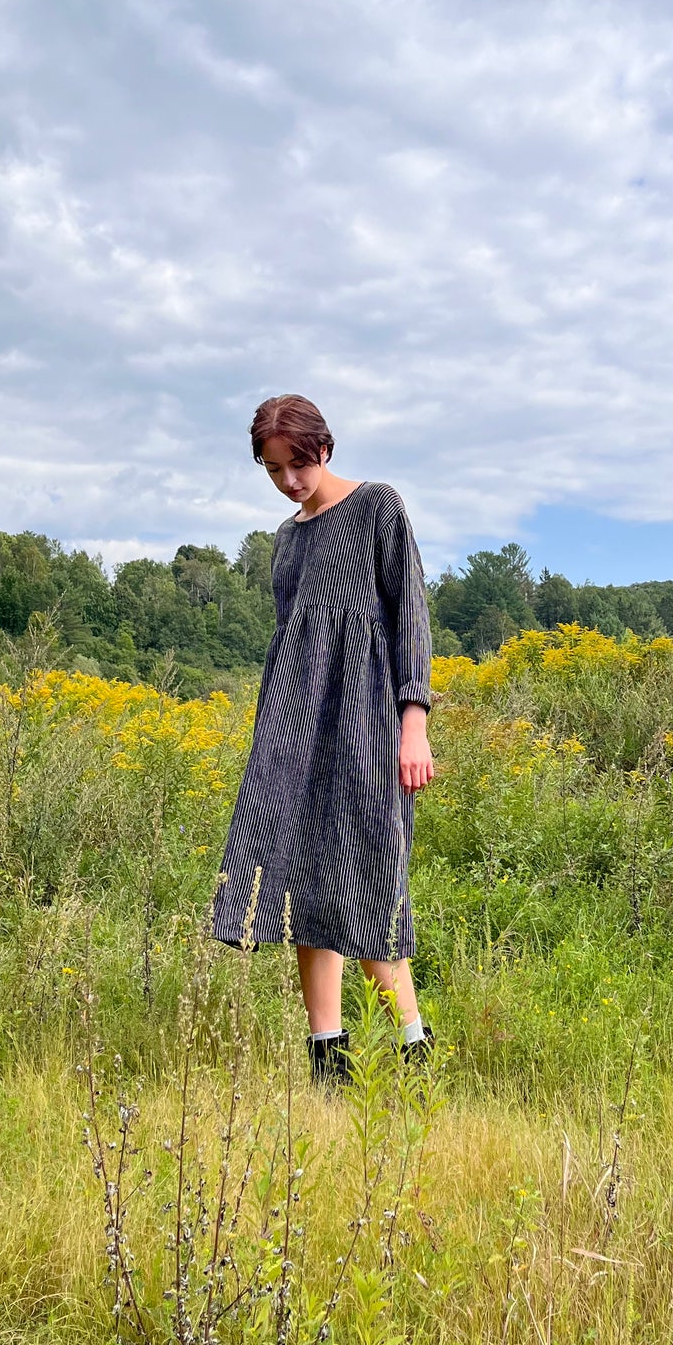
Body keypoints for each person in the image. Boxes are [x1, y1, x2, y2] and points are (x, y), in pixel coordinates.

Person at [213, 393, 436, 1084]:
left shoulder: (377, 507)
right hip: (293, 724)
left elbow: (409, 621)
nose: (288, 481)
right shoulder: (287, 539)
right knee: (301, 880)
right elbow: (292, 643)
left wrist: (413, 722)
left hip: (366, 722)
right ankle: (326, 1060)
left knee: (369, 878)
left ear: (324, 447)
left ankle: (414, 1048)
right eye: (273, 469)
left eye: (297, 464)